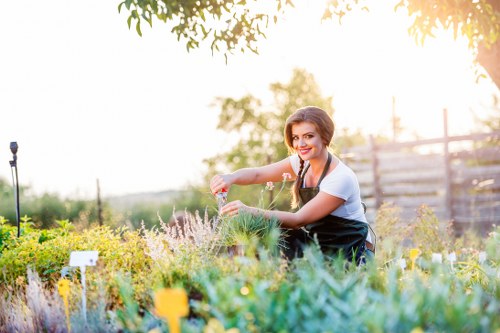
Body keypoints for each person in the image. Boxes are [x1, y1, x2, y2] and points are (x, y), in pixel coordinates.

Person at [210, 106, 375, 262]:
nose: (301, 144)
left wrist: (249, 211)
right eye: (296, 138)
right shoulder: (301, 163)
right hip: (318, 244)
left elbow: (298, 220)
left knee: (274, 227)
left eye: (309, 136)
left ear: (325, 136)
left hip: (350, 253)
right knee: (267, 232)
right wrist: (231, 177)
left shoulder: (341, 178)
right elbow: (258, 174)